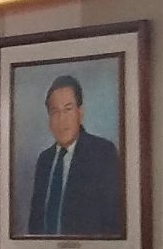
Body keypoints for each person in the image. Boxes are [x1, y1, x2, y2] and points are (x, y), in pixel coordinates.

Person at [21, 74, 125, 239]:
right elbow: (35, 224)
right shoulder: (44, 160)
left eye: (68, 110)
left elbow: (113, 223)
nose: (61, 119)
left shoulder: (102, 153)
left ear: (80, 113)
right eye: (55, 112)